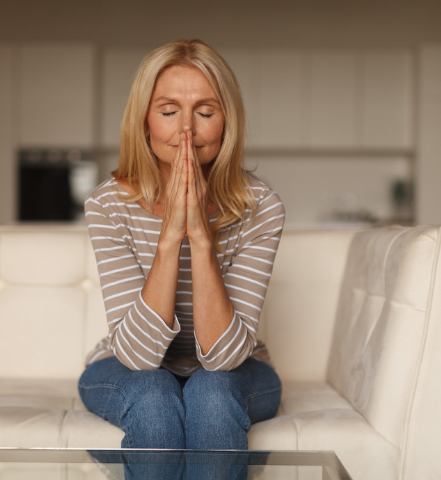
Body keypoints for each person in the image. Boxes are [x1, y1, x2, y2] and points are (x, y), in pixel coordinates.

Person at [78, 39, 285, 452]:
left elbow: (224, 359)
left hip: (239, 368)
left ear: (227, 123)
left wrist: (202, 240)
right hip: (125, 366)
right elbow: (137, 357)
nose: (186, 129)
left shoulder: (261, 206)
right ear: (144, 122)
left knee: (211, 392)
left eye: (205, 112)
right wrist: (170, 236)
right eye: (169, 112)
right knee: (154, 396)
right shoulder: (108, 205)